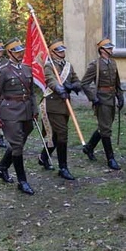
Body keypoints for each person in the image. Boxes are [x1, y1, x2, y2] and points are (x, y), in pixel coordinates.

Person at [0, 37, 38, 195]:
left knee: (18, 143)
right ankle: (22, 181)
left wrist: (34, 109)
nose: (20, 53)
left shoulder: (26, 69)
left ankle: (2, 168)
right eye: (16, 51)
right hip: (10, 112)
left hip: (26, 111)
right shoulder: (3, 71)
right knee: (17, 146)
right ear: (9, 53)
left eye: (21, 50)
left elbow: (31, 93)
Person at [39, 39, 82, 180]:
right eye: (59, 50)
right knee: (62, 135)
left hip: (65, 105)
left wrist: (74, 86)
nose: (63, 52)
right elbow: (50, 80)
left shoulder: (68, 65)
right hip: (53, 104)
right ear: (53, 52)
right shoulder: (49, 66)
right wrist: (60, 88)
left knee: (56, 137)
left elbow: (76, 80)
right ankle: (63, 168)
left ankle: (43, 156)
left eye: (63, 49)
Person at [80, 38, 123, 170]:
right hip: (101, 100)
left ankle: (89, 147)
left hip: (111, 99)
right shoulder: (95, 65)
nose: (111, 50)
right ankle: (110, 158)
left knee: (105, 126)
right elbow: (84, 83)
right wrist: (93, 98)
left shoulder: (113, 63)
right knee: (106, 129)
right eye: (109, 48)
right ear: (102, 50)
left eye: (111, 48)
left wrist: (120, 97)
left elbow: (117, 83)